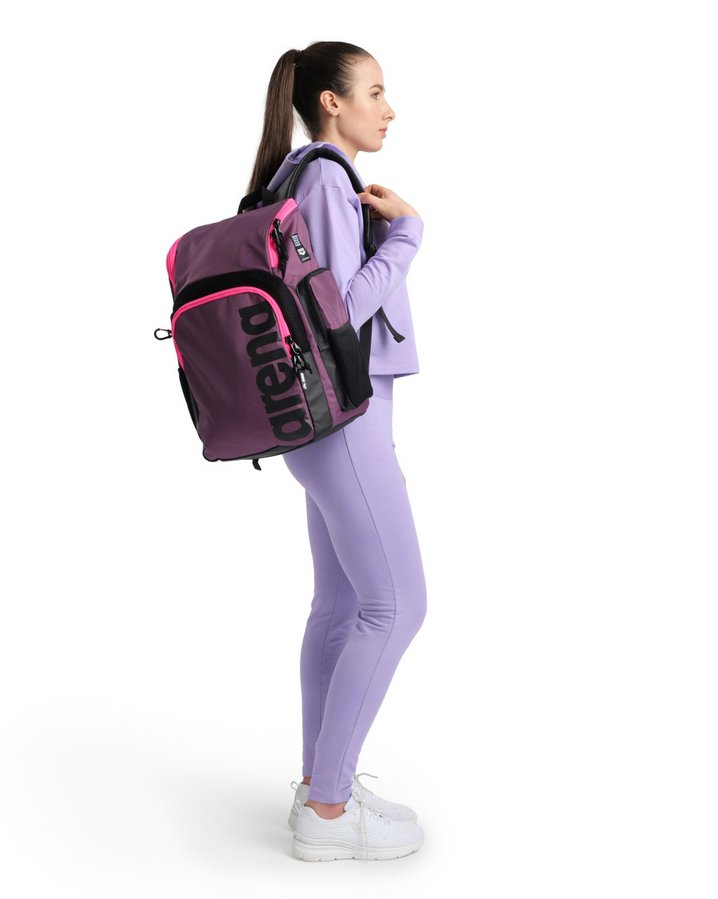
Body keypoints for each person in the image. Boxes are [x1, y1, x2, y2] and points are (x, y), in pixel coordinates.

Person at [246, 41, 427, 862]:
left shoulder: (305, 177)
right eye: (375, 93)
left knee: (343, 605)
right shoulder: (323, 179)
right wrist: (407, 235)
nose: (388, 110)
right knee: (397, 604)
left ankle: (323, 784)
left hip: (331, 427)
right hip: (345, 421)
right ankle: (327, 809)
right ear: (331, 102)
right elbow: (339, 312)